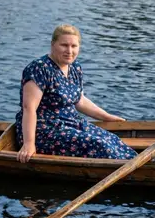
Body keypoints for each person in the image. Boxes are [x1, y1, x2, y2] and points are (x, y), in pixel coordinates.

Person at [15, 25, 137, 163]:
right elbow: (28, 108)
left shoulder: (74, 68)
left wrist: (107, 117)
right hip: (44, 131)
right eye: (64, 45)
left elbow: (80, 101)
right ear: (52, 44)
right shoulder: (39, 68)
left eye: (74, 46)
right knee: (100, 145)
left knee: (112, 139)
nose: (69, 51)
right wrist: (29, 144)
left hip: (71, 124)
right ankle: (127, 170)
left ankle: (137, 166)